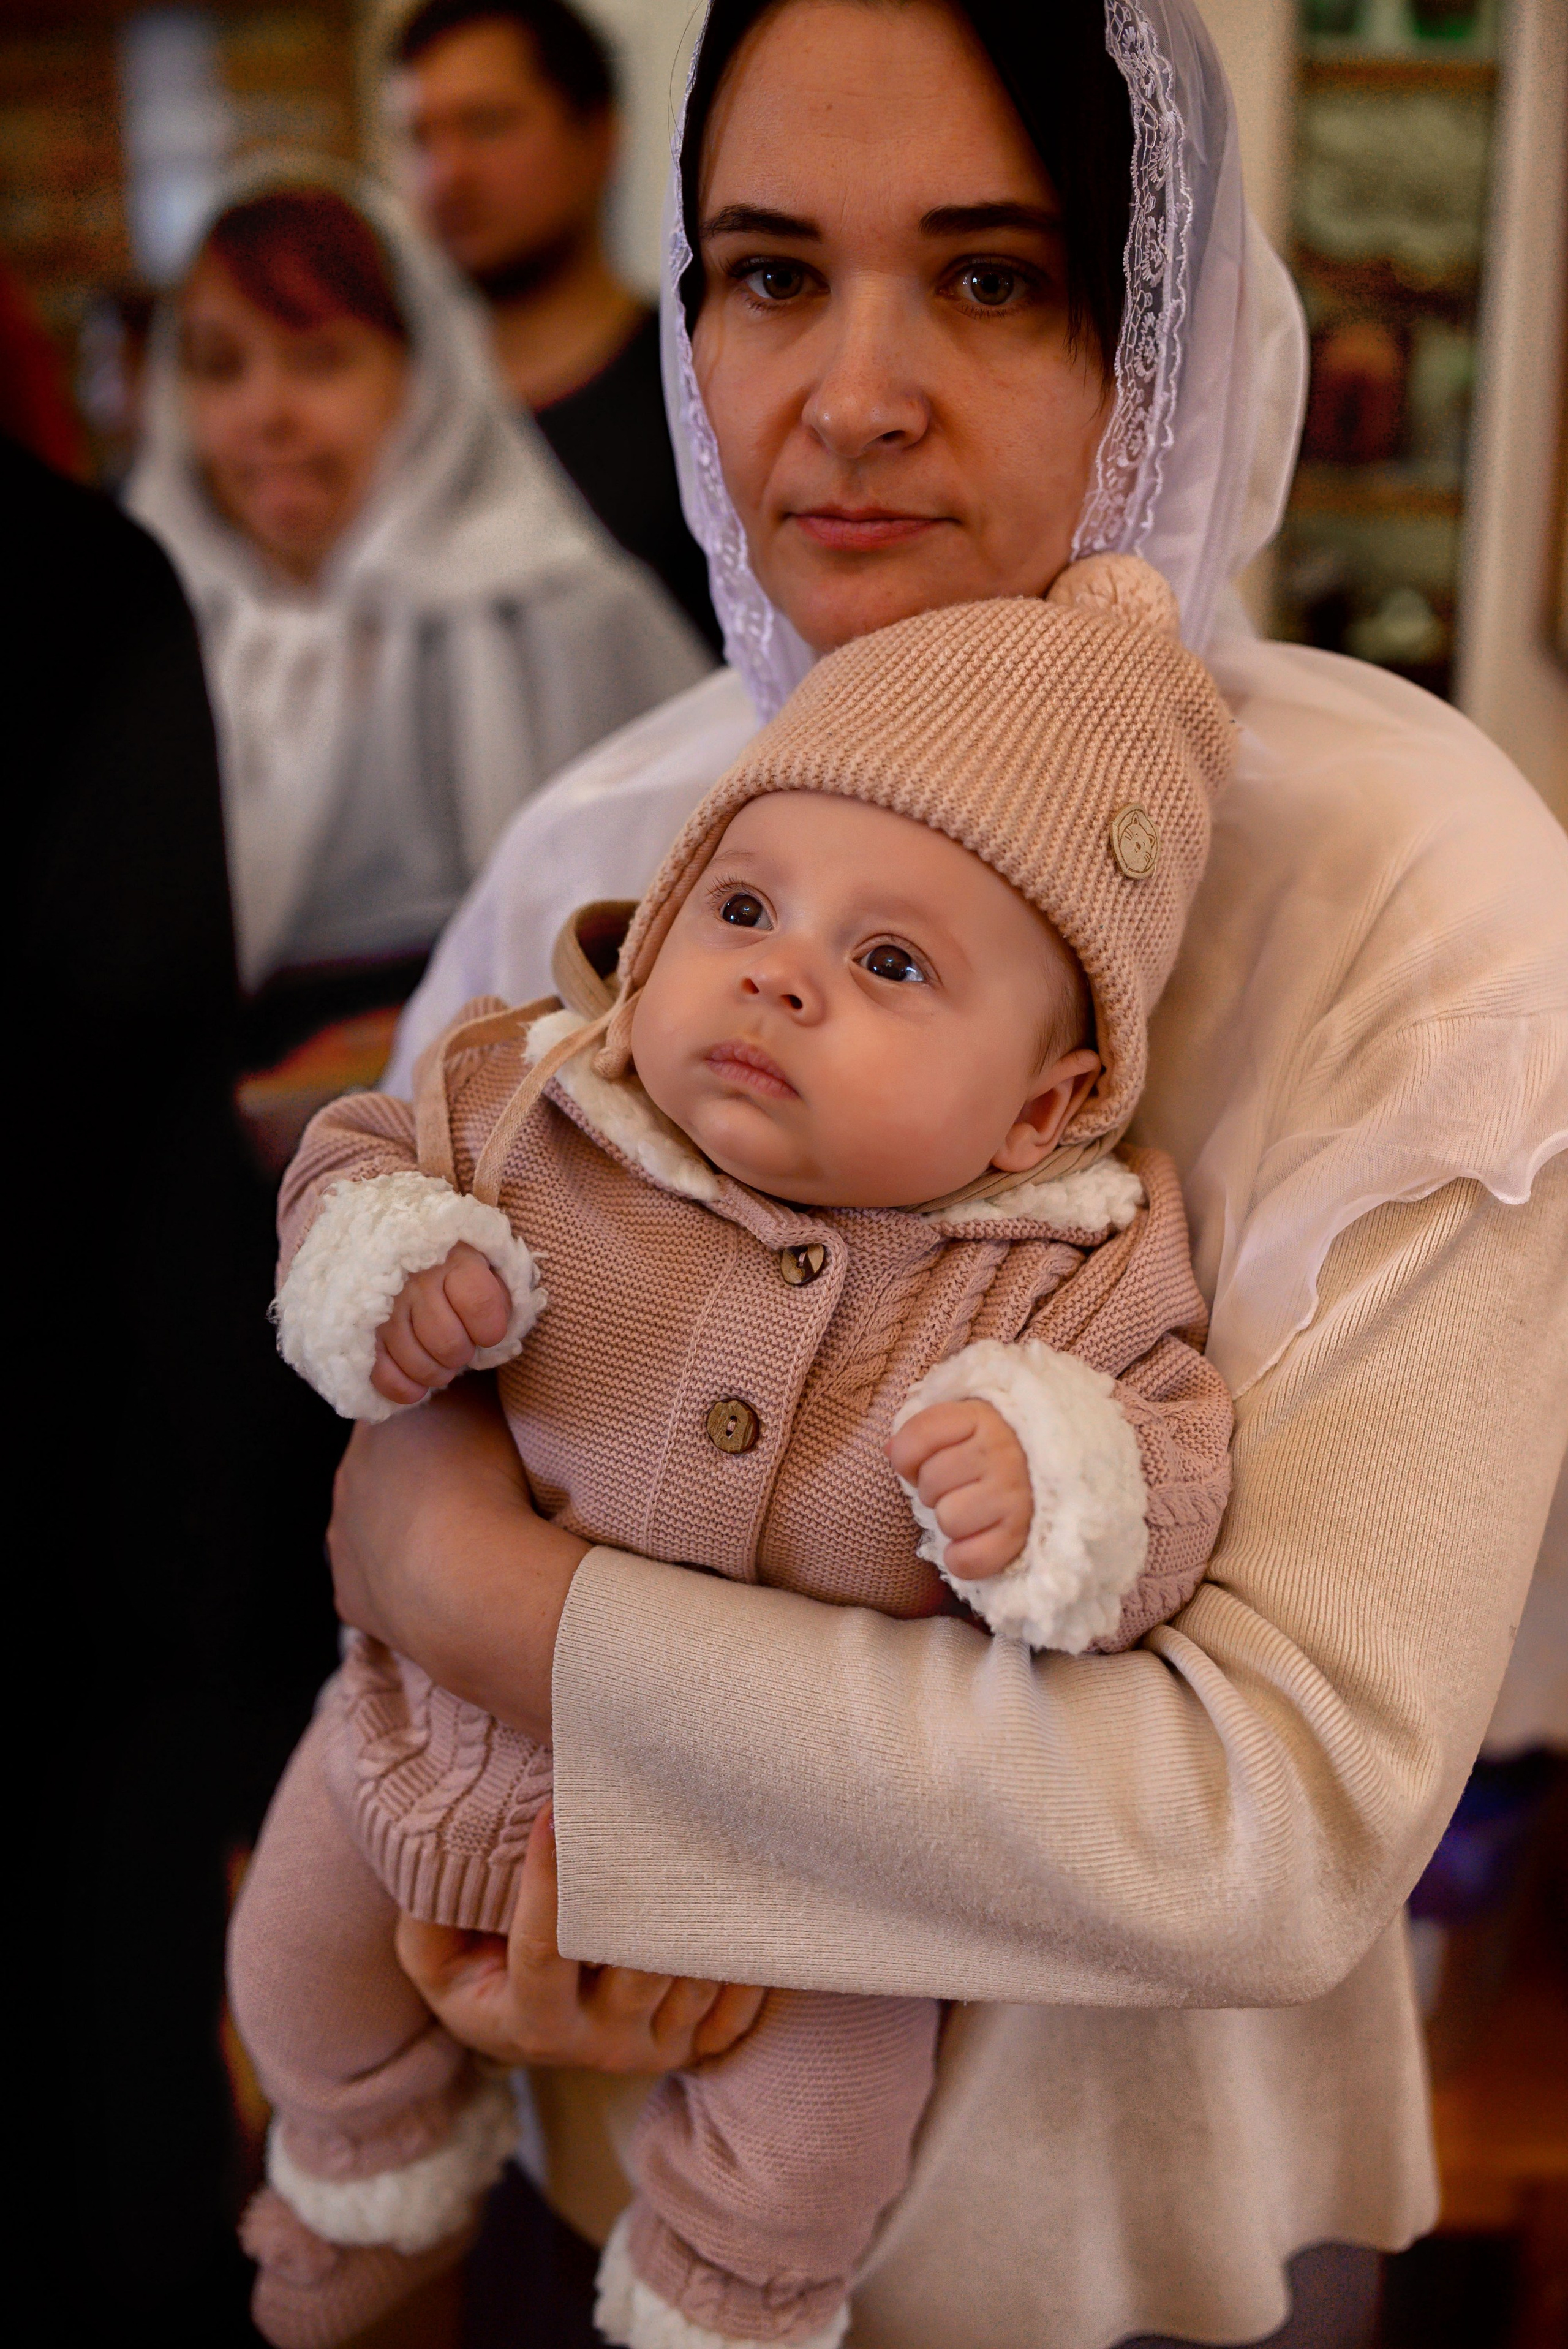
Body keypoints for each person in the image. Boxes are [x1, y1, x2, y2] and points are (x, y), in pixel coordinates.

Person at [320, 4, 1568, 2346]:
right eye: (769, 273)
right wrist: (506, 1911)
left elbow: (1256, 1818)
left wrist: (505, 1607)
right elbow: (391, 1564)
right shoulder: (603, 853)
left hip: (1130, 2272)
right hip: (591, 2207)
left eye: (988, 278)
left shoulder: (1414, 892)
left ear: (1159, 334)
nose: (853, 392)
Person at [233, 559, 1235, 2349]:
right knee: (289, 1970)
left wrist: (1058, 1488)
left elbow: (1168, 1470)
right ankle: (364, 2181)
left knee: (815, 2147)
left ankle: (727, 2304)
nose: (777, 981)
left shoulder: (1053, 1281)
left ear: (1041, 1103)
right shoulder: (537, 1098)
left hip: (799, 1868)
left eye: (891, 961)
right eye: (745, 905)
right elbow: (356, 1156)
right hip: (422, 1742)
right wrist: (383, 1260)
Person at [127, 165, 710, 1074]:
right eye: (218, 366)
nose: (264, 414)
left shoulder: (566, 611)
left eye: (320, 358)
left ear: (429, 377)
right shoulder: (135, 644)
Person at [390, 0, 723, 648]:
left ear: (598, 137)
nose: (447, 173)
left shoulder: (705, 386)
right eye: (418, 137)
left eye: (485, 124)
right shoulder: (400, 414)